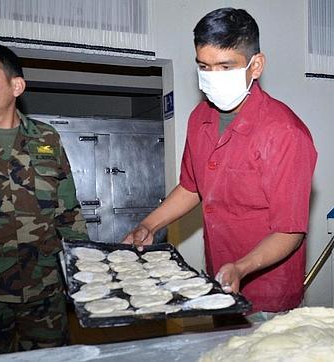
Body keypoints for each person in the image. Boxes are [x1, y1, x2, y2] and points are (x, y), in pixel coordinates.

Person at [123, 8, 317, 313]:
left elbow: (289, 231)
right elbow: (192, 187)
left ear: (256, 65)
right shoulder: (200, 118)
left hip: (266, 289)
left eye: (225, 67)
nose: (213, 78)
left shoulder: (285, 133)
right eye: (204, 67)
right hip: (219, 278)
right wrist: (150, 224)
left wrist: (242, 268)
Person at [0, 43, 88, 357]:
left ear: (16, 86)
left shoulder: (47, 138)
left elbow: (68, 212)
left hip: (44, 290)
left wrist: (85, 273)